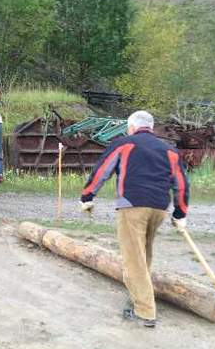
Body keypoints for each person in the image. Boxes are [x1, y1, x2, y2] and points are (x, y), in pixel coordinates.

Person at [79, 110, 190, 328]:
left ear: (131, 127)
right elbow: (182, 183)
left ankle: (145, 313)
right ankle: (140, 297)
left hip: (132, 206)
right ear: (151, 127)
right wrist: (180, 213)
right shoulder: (169, 150)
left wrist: (87, 197)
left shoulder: (124, 143)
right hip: (159, 208)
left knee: (134, 260)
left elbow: (102, 170)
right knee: (144, 254)